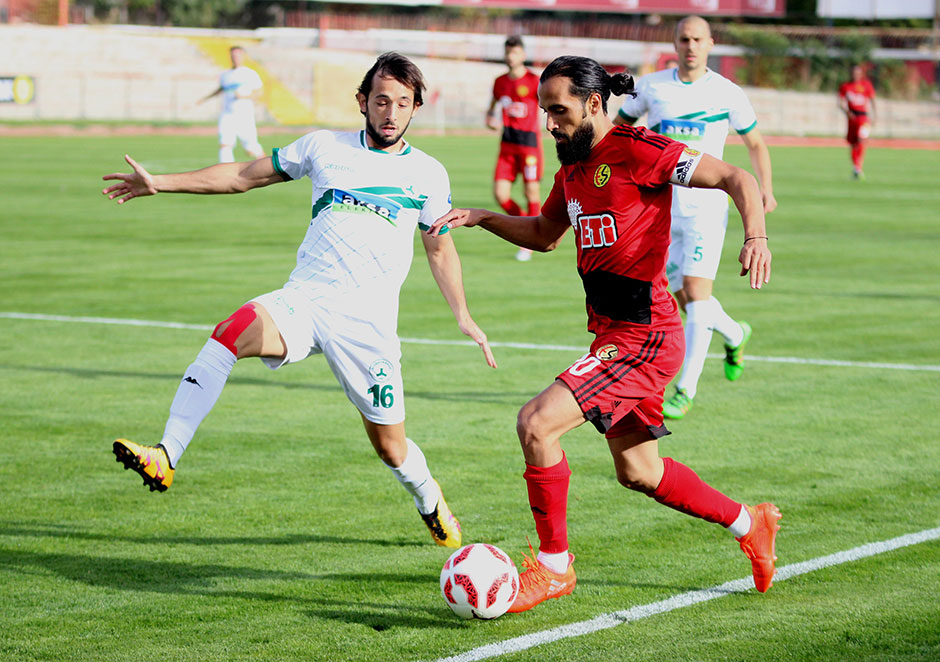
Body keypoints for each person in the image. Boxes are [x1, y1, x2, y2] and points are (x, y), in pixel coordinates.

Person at [102, 52, 497, 549]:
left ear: (416, 107)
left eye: (403, 102)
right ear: (362, 102)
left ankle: (429, 499)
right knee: (229, 331)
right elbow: (244, 175)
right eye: (381, 100)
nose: (391, 112)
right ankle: (166, 455)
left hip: (368, 327)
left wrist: (464, 316)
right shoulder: (323, 146)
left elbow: (439, 245)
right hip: (306, 301)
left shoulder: (428, 173)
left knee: (391, 447)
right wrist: (163, 181)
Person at [428, 55, 780, 612]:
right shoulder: (572, 169)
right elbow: (545, 234)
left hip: (645, 334)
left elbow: (735, 177)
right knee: (638, 471)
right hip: (613, 333)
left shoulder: (640, 150)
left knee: (536, 424)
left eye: (558, 110)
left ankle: (553, 568)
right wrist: (482, 217)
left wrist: (755, 235)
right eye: (545, 111)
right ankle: (749, 523)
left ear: (594, 103)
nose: (549, 123)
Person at [614, 15, 777, 420]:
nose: (690, 46)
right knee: (684, 298)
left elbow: (754, 142)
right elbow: (620, 131)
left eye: (698, 39)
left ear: (710, 43)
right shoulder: (652, 87)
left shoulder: (727, 92)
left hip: (706, 206)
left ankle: (684, 389)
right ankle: (736, 333)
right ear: (675, 42)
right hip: (661, 207)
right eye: (684, 38)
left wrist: (765, 188)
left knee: (696, 292)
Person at [485, 35, 543, 262]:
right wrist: (490, 118)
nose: (511, 56)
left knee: (531, 193)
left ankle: (532, 239)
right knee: (500, 194)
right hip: (507, 145)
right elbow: (492, 107)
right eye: (508, 52)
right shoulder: (500, 82)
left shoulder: (534, 81)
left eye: (516, 52)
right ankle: (525, 229)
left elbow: (547, 105)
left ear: (523, 55)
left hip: (529, 145)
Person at [199, 45, 265, 164]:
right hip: (227, 114)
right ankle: (226, 172)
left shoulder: (250, 74)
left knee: (251, 148)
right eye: (233, 55)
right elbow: (220, 89)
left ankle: (265, 165)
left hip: (244, 114)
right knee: (225, 144)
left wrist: (244, 96)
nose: (235, 58)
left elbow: (260, 94)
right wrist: (204, 99)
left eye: (238, 55)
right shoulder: (225, 75)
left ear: (243, 56)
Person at [838, 64, 876, 179]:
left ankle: (858, 166)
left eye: (858, 73)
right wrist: (847, 112)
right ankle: (856, 167)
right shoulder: (846, 86)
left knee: (862, 139)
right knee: (853, 144)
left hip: (863, 118)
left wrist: (875, 116)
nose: (856, 75)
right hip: (852, 118)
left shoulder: (866, 85)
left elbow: (873, 100)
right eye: (854, 73)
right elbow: (840, 102)